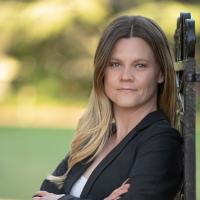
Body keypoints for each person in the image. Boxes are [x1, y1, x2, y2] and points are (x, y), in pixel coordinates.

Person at [32, 15, 183, 200]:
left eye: (140, 65)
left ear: (160, 73)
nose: (126, 76)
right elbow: (41, 196)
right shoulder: (94, 139)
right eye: (115, 64)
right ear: (102, 72)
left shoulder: (162, 141)